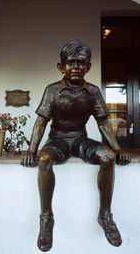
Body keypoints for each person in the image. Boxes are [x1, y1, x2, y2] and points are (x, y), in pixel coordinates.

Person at [21, 40, 130, 252]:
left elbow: (103, 122)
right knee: (44, 160)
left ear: (89, 66)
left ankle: (105, 215)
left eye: (81, 63)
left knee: (107, 157)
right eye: (71, 63)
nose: (76, 67)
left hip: (80, 140)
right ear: (61, 67)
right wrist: (31, 151)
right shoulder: (52, 90)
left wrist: (117, 150)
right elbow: (41, 122)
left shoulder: (93, 92)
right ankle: (46, 219)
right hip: (58, 141)